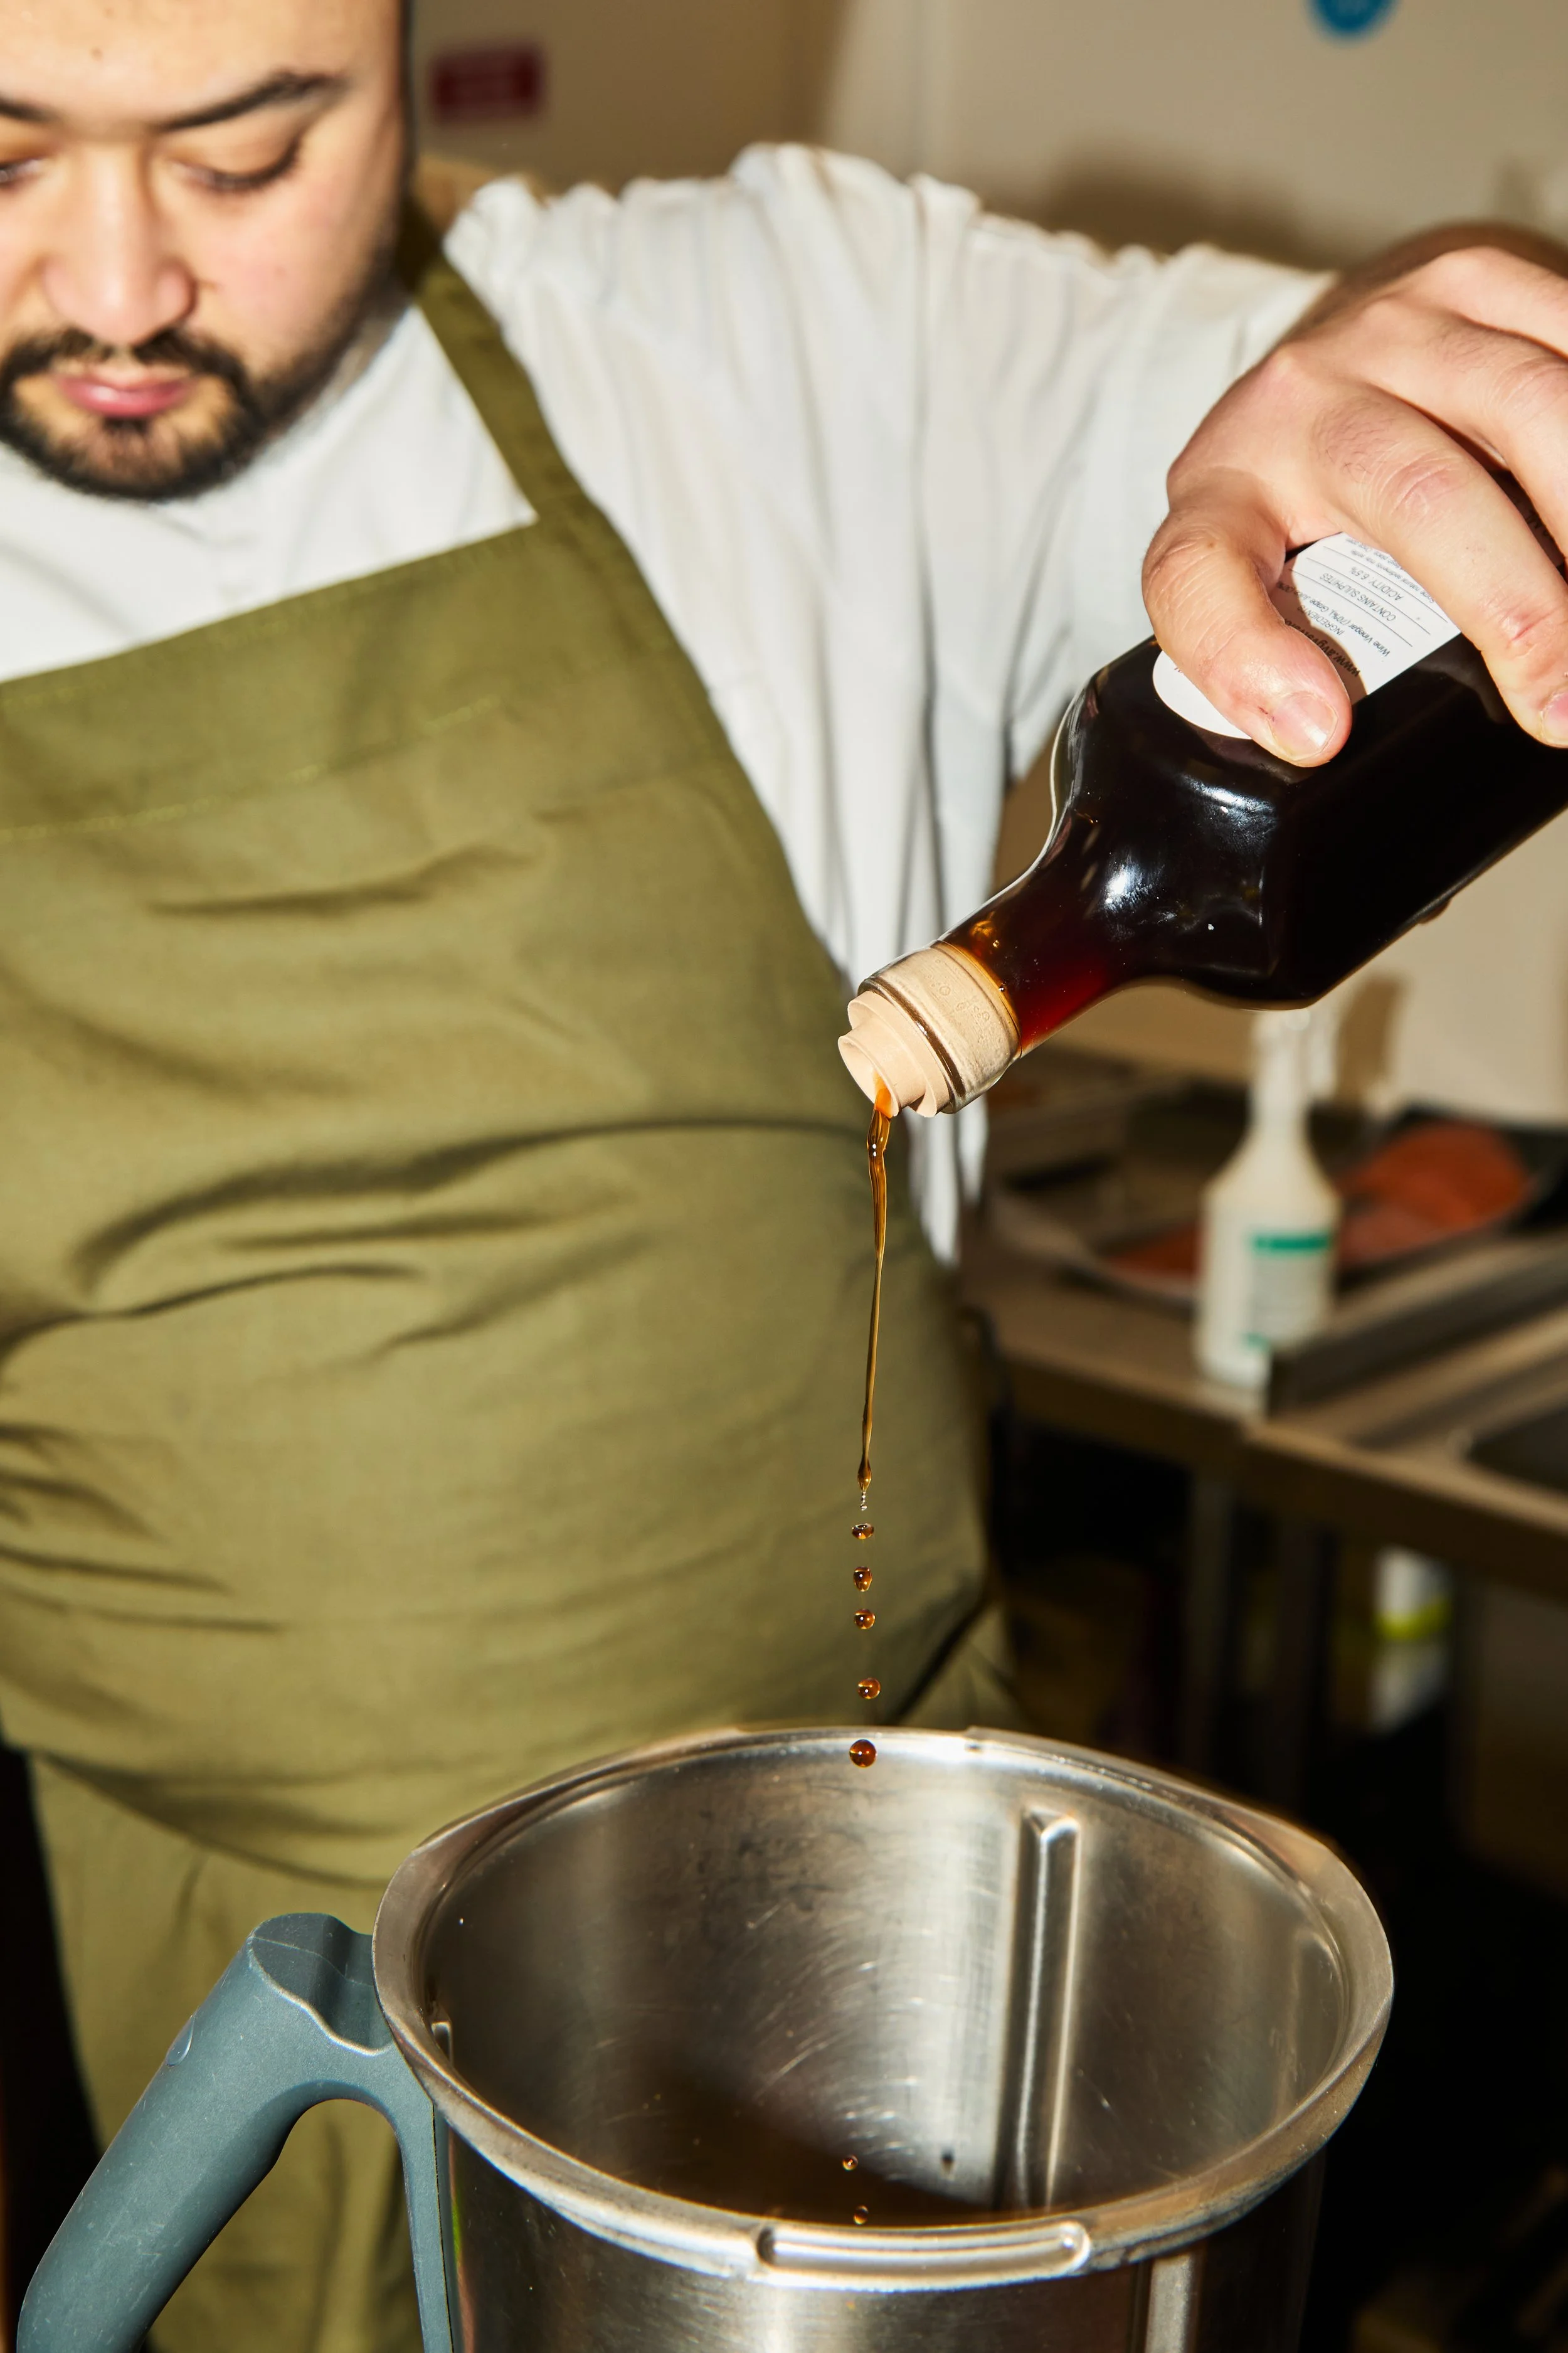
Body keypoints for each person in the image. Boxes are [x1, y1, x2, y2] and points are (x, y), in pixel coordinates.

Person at [1, 2, 1565, 2345]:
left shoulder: (786, 346)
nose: (118, 288)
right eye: (3, 152)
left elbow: (1349, 431)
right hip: (277, 2079)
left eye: (247, 151)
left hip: (947, 2031)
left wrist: (1424, 374)